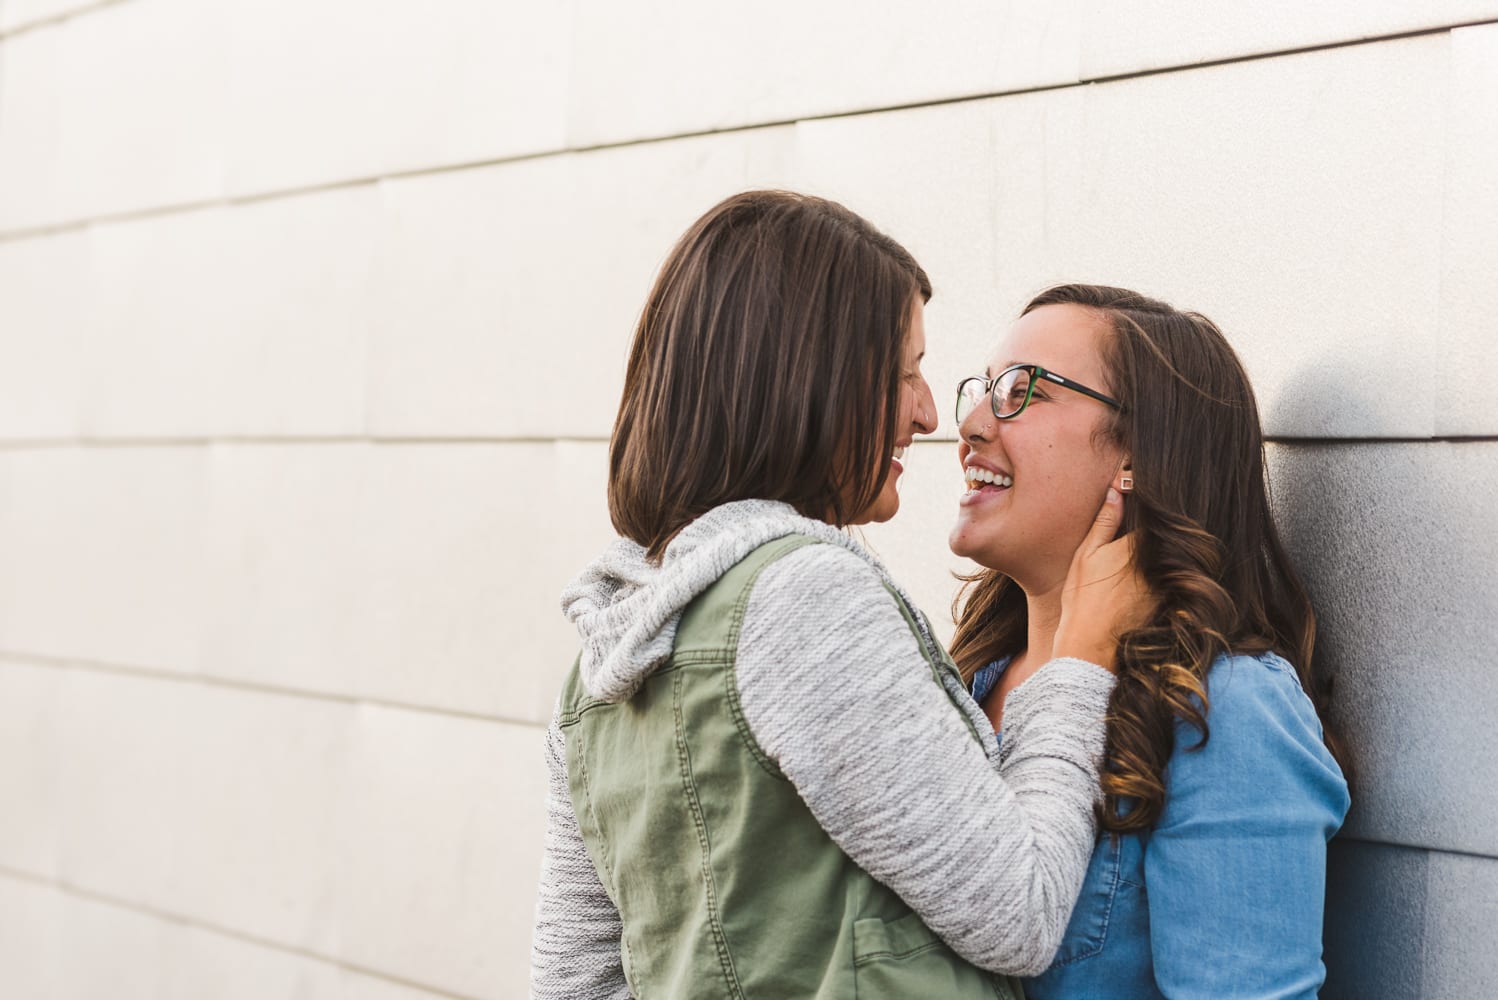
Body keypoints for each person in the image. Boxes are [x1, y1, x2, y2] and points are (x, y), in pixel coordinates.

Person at [529, 193, 1146, 999]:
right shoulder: (805, 598)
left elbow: (572, 984)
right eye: (904, 374)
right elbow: (1020, 912)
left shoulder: (600, 668)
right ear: (806, 382)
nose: (929, 413)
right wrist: (1080, 660)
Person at [949, 283, 1351, 999]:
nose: (973, 424)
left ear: (1135, 451)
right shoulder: (967, 680)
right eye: (984, 389)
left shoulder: (1222, 707)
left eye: (1022, 390)